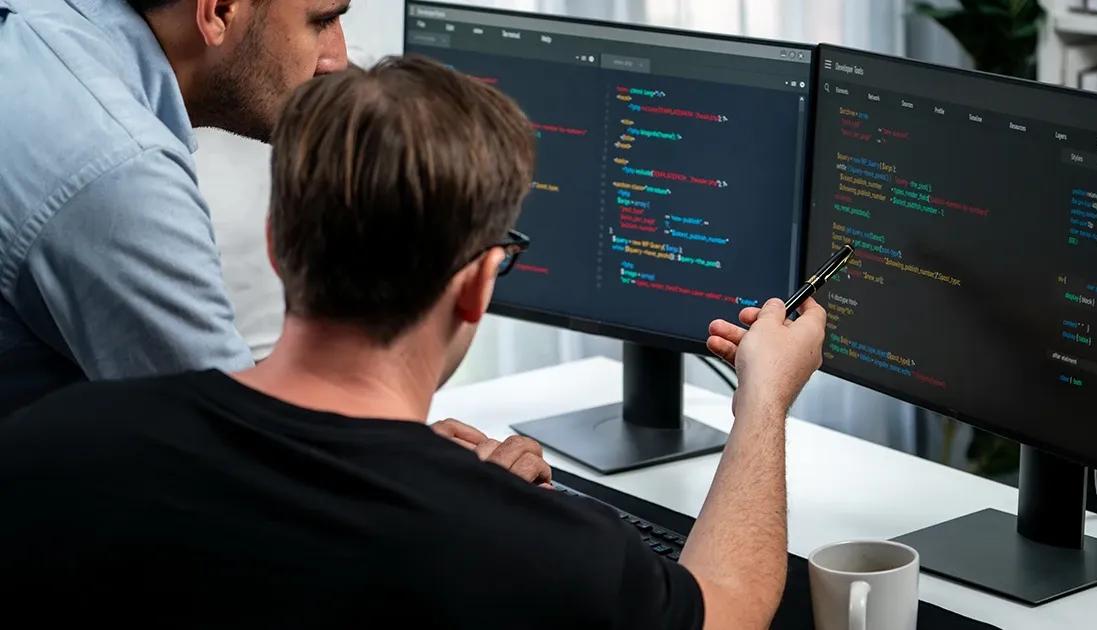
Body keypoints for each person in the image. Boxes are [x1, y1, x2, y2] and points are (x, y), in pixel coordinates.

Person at [0, 56, 828, 628]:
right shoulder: (536, 554)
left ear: (275, 242)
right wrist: (765, 395)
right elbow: (731, 603)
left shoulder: (52, 446)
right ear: (476, 283)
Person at [0, 0, 351, 415]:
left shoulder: (39, 29)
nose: (337, 59)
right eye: (323, 20)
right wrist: (404, 455)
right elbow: (231, 445)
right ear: (218, 10)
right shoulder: (117, 167)